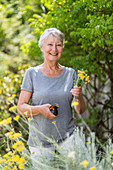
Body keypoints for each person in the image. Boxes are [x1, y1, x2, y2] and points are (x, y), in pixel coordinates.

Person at [17, 28, 86, 160]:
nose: (54, 49)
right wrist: (40, 110)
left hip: (68, 138)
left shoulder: (70, 73)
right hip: (40, 142)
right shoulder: (32, 74)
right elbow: (21, 109)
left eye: (58, 45)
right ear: (42, 47)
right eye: (50, 44)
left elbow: (80, 110)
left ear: (62, 48)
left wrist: (79, 96)